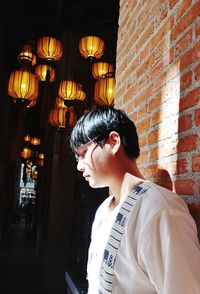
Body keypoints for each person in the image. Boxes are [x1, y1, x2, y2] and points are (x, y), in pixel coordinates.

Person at [70, 106, 200, 294]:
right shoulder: (103, 209)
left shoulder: (159, 209)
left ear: (113, 142)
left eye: (83, 153)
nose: (80, 166)